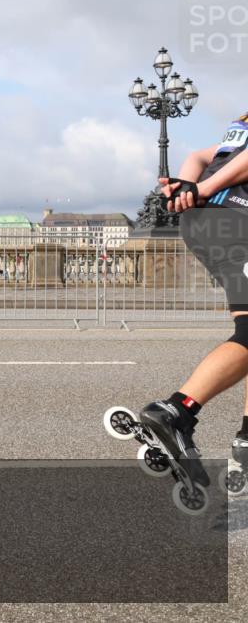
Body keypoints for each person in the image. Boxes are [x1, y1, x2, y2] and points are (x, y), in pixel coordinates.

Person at [140, 111, 248, 488]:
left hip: (206, 222)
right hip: (235, 217)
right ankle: (177, 410)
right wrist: (200, 189)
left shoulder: (242, 123)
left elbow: (201, 155)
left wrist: (188, 183)